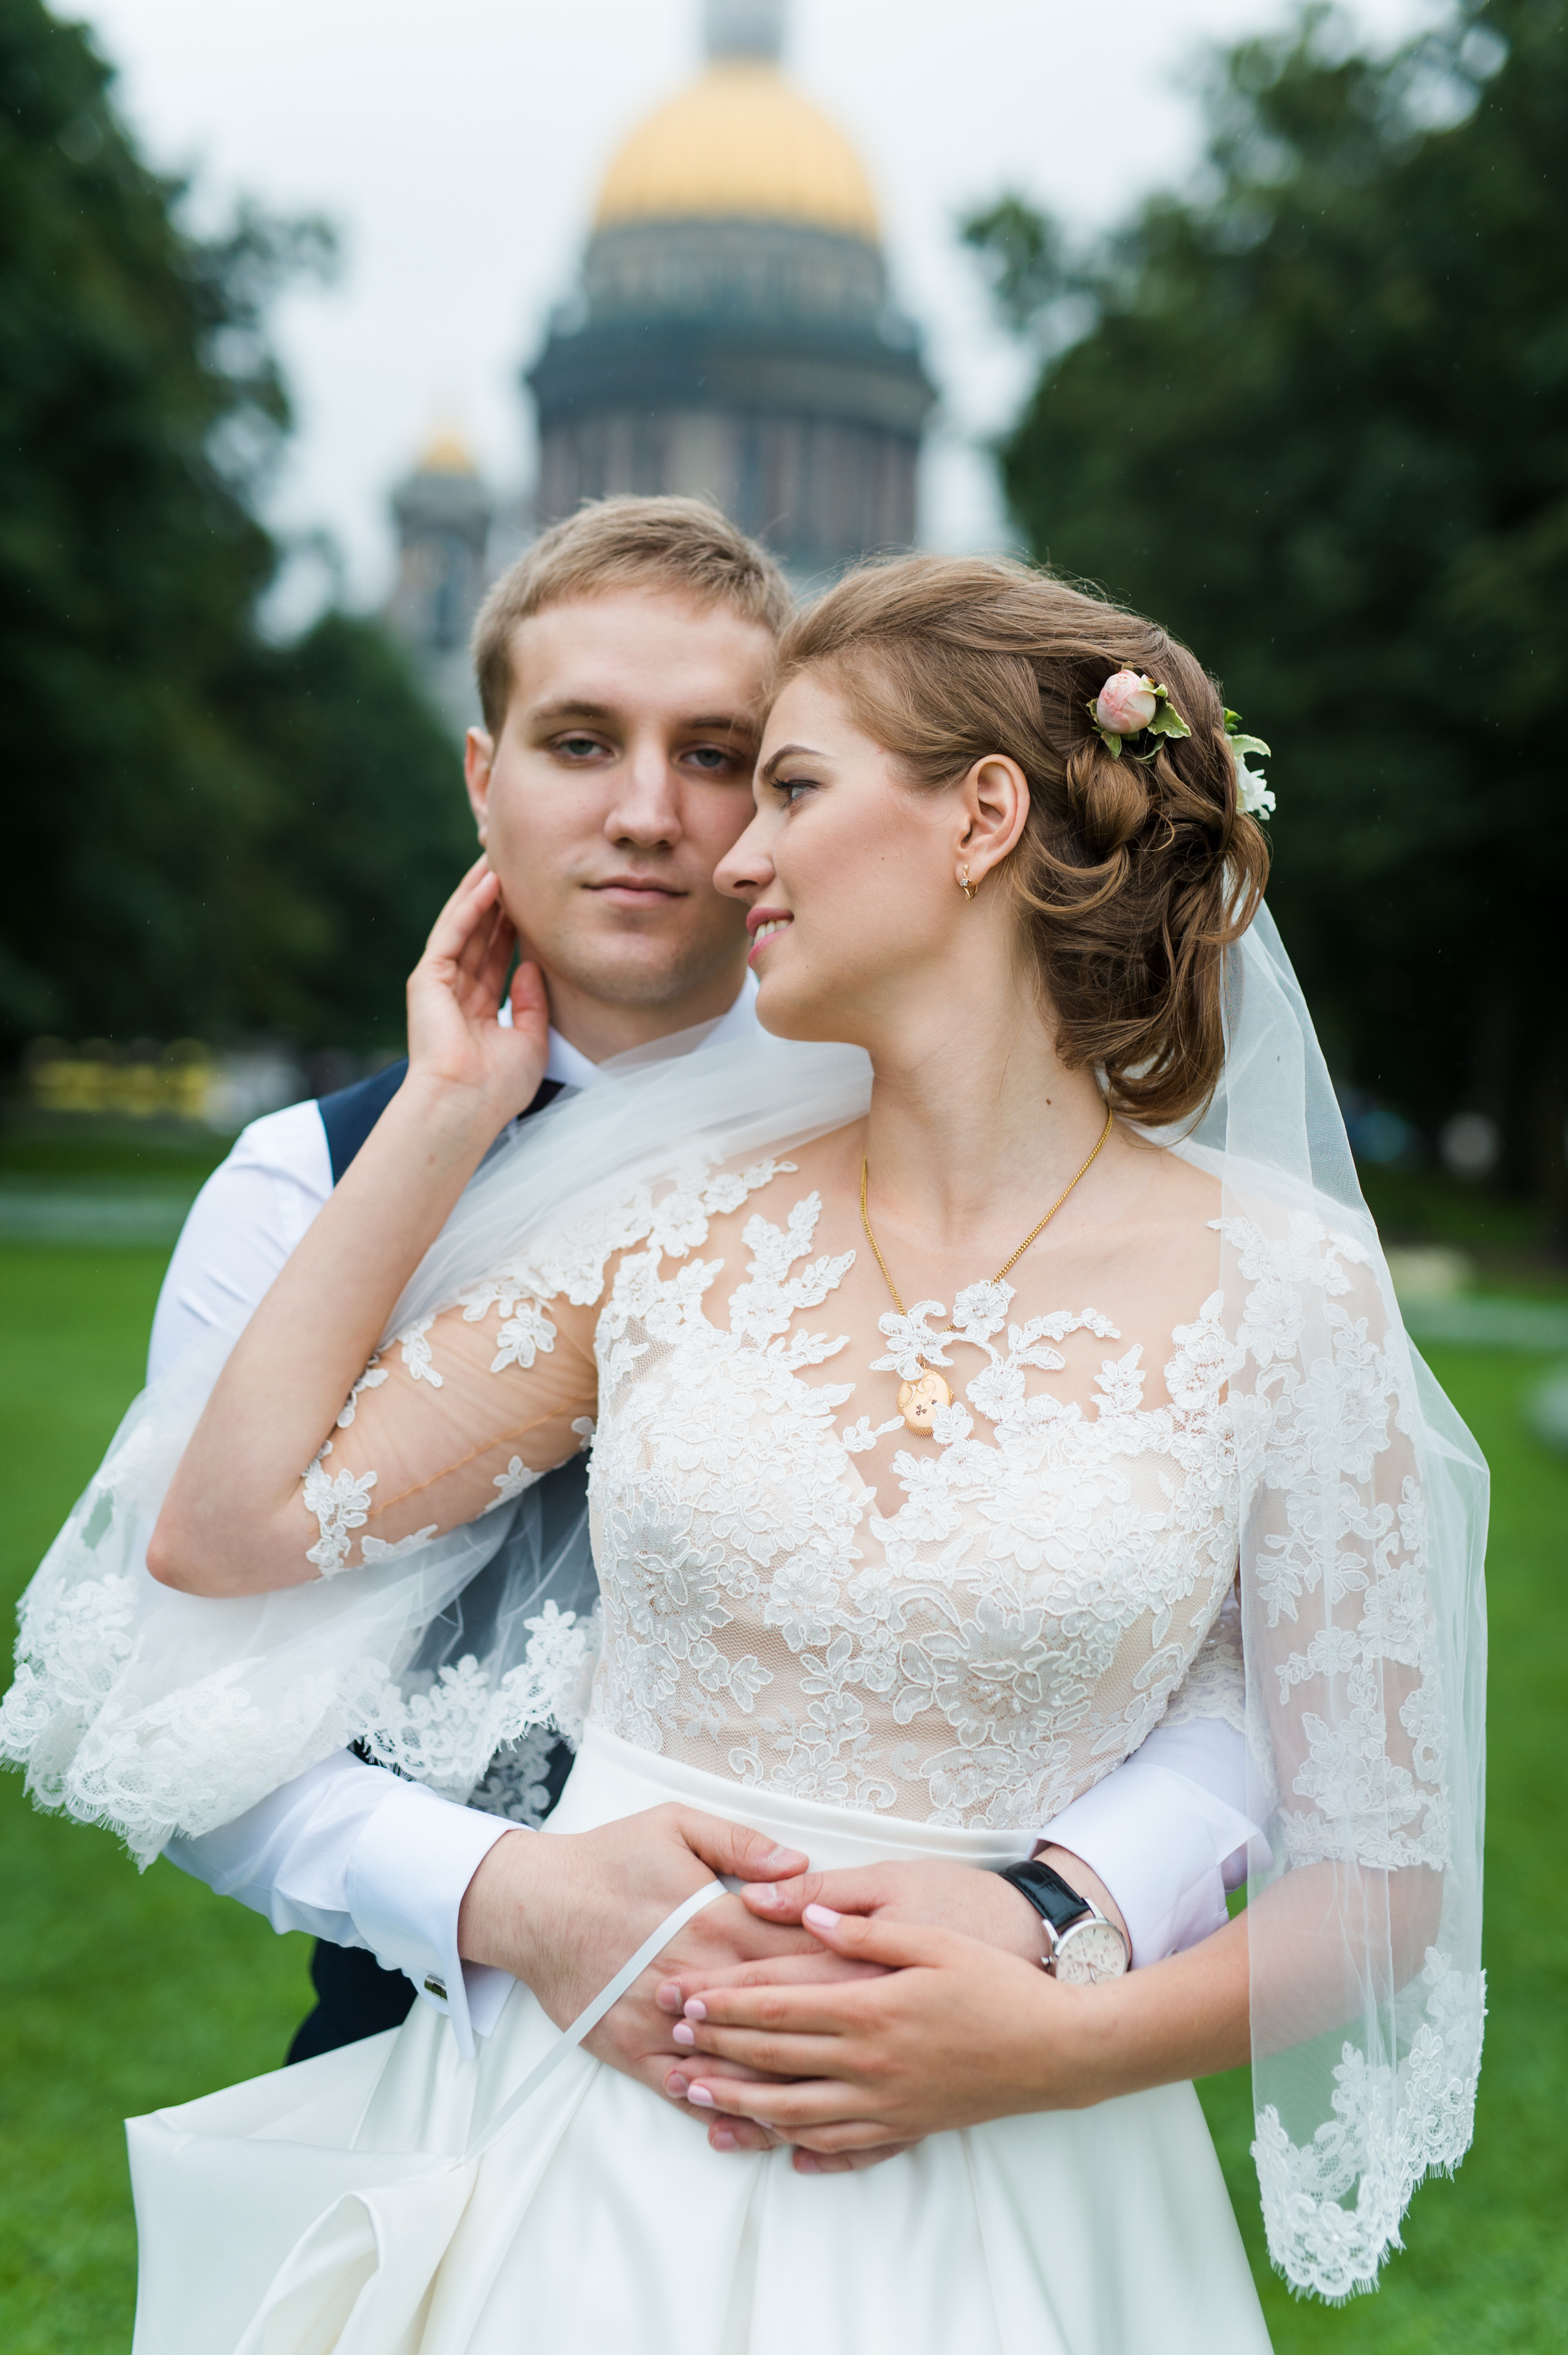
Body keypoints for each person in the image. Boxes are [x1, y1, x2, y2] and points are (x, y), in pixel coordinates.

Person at [75, 550, 1481, 2352]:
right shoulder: (668, 1227)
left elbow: (1385, 1876)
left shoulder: (1292, 1293)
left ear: (982, 818)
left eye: (790, 787)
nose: (735, 851)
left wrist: (1052, 2038)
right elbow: (226, 1527)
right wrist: (442, 1115)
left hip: (1033, 2181)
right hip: (588, 2150)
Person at [124, 497, 1257, 2144]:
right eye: (581, 741)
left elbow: (1237, 1659)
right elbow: (174, 1686)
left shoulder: (1009, 1153)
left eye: (733, 758)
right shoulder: (303, 1185)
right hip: (435, 2067)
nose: (658, 818)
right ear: (482, 778)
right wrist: (511, 1897)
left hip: (956, 2076)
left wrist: (1051, 1902)